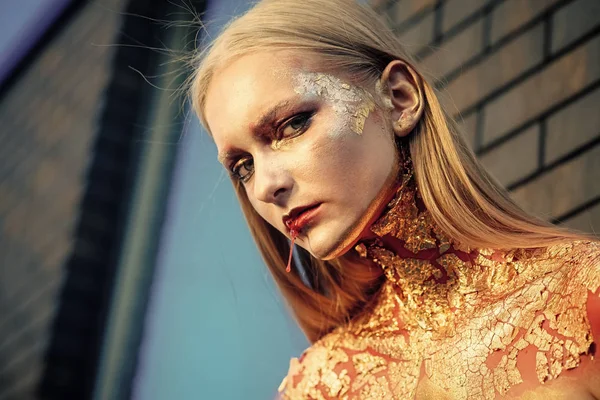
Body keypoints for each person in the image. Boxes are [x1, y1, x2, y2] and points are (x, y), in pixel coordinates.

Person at [188, 0, 600, 398]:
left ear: (400, 98)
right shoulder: (321, 388)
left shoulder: (582, 294)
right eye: (243, 166)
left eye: (292, 125)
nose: (264, 187)